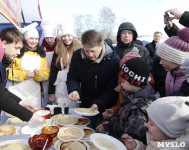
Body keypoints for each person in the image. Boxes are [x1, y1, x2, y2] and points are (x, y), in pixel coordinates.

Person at [96, 57, 159, 144]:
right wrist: (110, 124)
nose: (120, 84)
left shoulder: (139, 110)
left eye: (123, 82)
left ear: (134, 82)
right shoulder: (131, 95)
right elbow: (124, 119)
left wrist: (109, 139)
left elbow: (130, 139)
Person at [66, 30, 120, 129]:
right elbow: (72, 77)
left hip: (107, 107)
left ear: (101, 46)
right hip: (86, 104)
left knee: (103, 137)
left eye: (92, 51)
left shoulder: (114, 61)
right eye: (86, 51)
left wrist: (98, 103)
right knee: (86, 132)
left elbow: (112, 89)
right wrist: (74, 89)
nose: (90, 55)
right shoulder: (77, 56)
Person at [0, 27, 45, 124]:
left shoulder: (3, 61)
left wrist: (21, 103)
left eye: (20, 49)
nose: (18, 53)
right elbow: (1, 97)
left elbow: (2, 90)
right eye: (16, 48)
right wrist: (31, 117)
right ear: (3, 44)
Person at [6, 22, 50, 109]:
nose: (34, 41)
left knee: (33, 117)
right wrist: (24, 74)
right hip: (15, 90)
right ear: (25, 39)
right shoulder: (16, 52)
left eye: (36, 39)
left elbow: (46, 74)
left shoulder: (41, 54)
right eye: (31, 38)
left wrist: (38, 74)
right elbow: (7, 72)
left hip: (33, 94)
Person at [122, 96, 189, 150]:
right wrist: (135, 146)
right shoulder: (161, 139)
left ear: (167, 131)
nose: (146, 125)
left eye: (152, 124)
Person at [48, 24, 82, 108]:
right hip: (60, 84)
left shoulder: (79, 48)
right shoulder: (58, 48)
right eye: (64, 36)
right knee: (60, 108)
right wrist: (51, 91)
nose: (66, 38)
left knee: (73, 107)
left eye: (68, 36)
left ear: (72, 35)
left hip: (75, 83)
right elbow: (53, 71)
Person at [157, 27, 189, 95]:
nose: (160, 62)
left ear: (177, 59)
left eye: (163, 58)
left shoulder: (186, 79)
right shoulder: (170, 73)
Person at [40, 19, 59, 107]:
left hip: (58, 81)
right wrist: (41, 90)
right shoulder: (41, 49)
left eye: (51, 37)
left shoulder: (60, 46)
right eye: (47, 38)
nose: (49, 40)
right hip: (45, 82)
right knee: (47, 106)